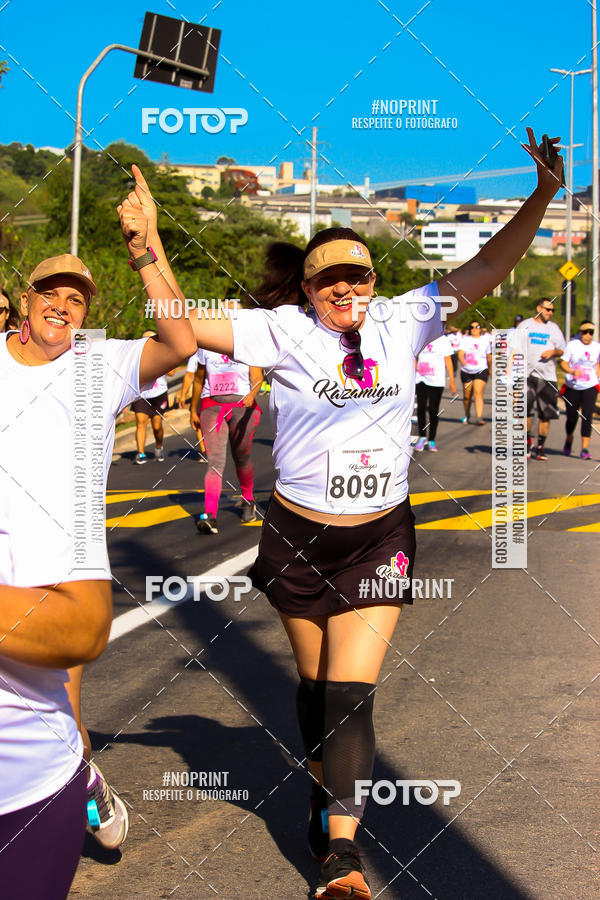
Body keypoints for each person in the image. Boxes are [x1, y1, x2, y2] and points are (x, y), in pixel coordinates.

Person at [144, 126, 562, 899]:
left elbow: (494, 262)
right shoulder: (281, 331)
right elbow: (178, 331)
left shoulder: (410, 318)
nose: (343, 286)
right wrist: (147, 248)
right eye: (326, 278)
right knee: (314, 690)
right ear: (306, 289)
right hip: (298, 537)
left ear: (374, 277)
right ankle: (323, 781)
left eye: (355, 273)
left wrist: (541, 194)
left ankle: (342, 853)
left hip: (379, 537)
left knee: (348, 694)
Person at [0, 165, 196, 895]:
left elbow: (179, 342)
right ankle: (79, 781)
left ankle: (69, 784)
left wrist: (148, 247)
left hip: (65, 557)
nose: (62, 304)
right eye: (50, 291)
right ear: (27, 300)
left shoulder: (97, 365)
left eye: (76, 298)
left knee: (60, 693)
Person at [189, 332, 263, 532]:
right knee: (215, 461)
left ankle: (248, 498)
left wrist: (253, 393)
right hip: (212, 405)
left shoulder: (247, 341)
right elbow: (198, 378)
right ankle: (209, 515)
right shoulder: (206, 343)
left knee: (241, 456)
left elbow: (257, 377)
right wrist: (193, 408)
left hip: (243, 406)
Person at [517, 297, 566, 460]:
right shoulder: (525, 325)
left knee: (546, 413)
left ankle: (540, 446)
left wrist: (553, 353)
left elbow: (562, 350)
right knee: (525, 411)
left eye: (552, 310)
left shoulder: (554, 329)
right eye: (547, 309)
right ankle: (526, 442)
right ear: (539, 308)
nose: (550, 313)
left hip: (548, 376)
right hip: (527, 375)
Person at [560, 320, 600, 459]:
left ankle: (584, 448)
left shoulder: (597, 347)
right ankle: (569, 438)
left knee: (587, 416)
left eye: (591, 332)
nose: (588, 335)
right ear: (580, 332)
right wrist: (571, 371)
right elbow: (563, 363)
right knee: (572, 418)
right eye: (585, 332)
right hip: (573, 386)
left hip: (590, 385)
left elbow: (598, 365)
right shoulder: (572, 345)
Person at [131, 330, 170, 464]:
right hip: (141, 395)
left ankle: (159, 447)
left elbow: (172, 372)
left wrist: (165, 360)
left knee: (157, 425)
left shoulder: (163, 353)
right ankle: (141, 453)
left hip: (158, 393)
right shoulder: (136, 357)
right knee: (141, 423)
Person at [414, 334, 457, 451]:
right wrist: (413, 372)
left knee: (433, 410)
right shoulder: (420, 336)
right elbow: (414, 356)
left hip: (436, 380)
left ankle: (431, 440)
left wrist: (452, 381)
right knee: (421, 408)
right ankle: (422, 437)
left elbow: (448, 361)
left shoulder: (443, 340)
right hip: (421, 378)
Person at [457, 320, 492, 424]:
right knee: (467, 396)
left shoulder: (485, 340)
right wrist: (461, 359)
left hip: (481, 369)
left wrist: (490, 369)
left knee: (478, 393)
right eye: (472, 327)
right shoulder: (465, 340)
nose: (474, 329)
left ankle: (479, 417)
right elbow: (460, 352)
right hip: (466, 370)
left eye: (477, 327)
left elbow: (489, 356)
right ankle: (467, 413)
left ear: (480, 329)